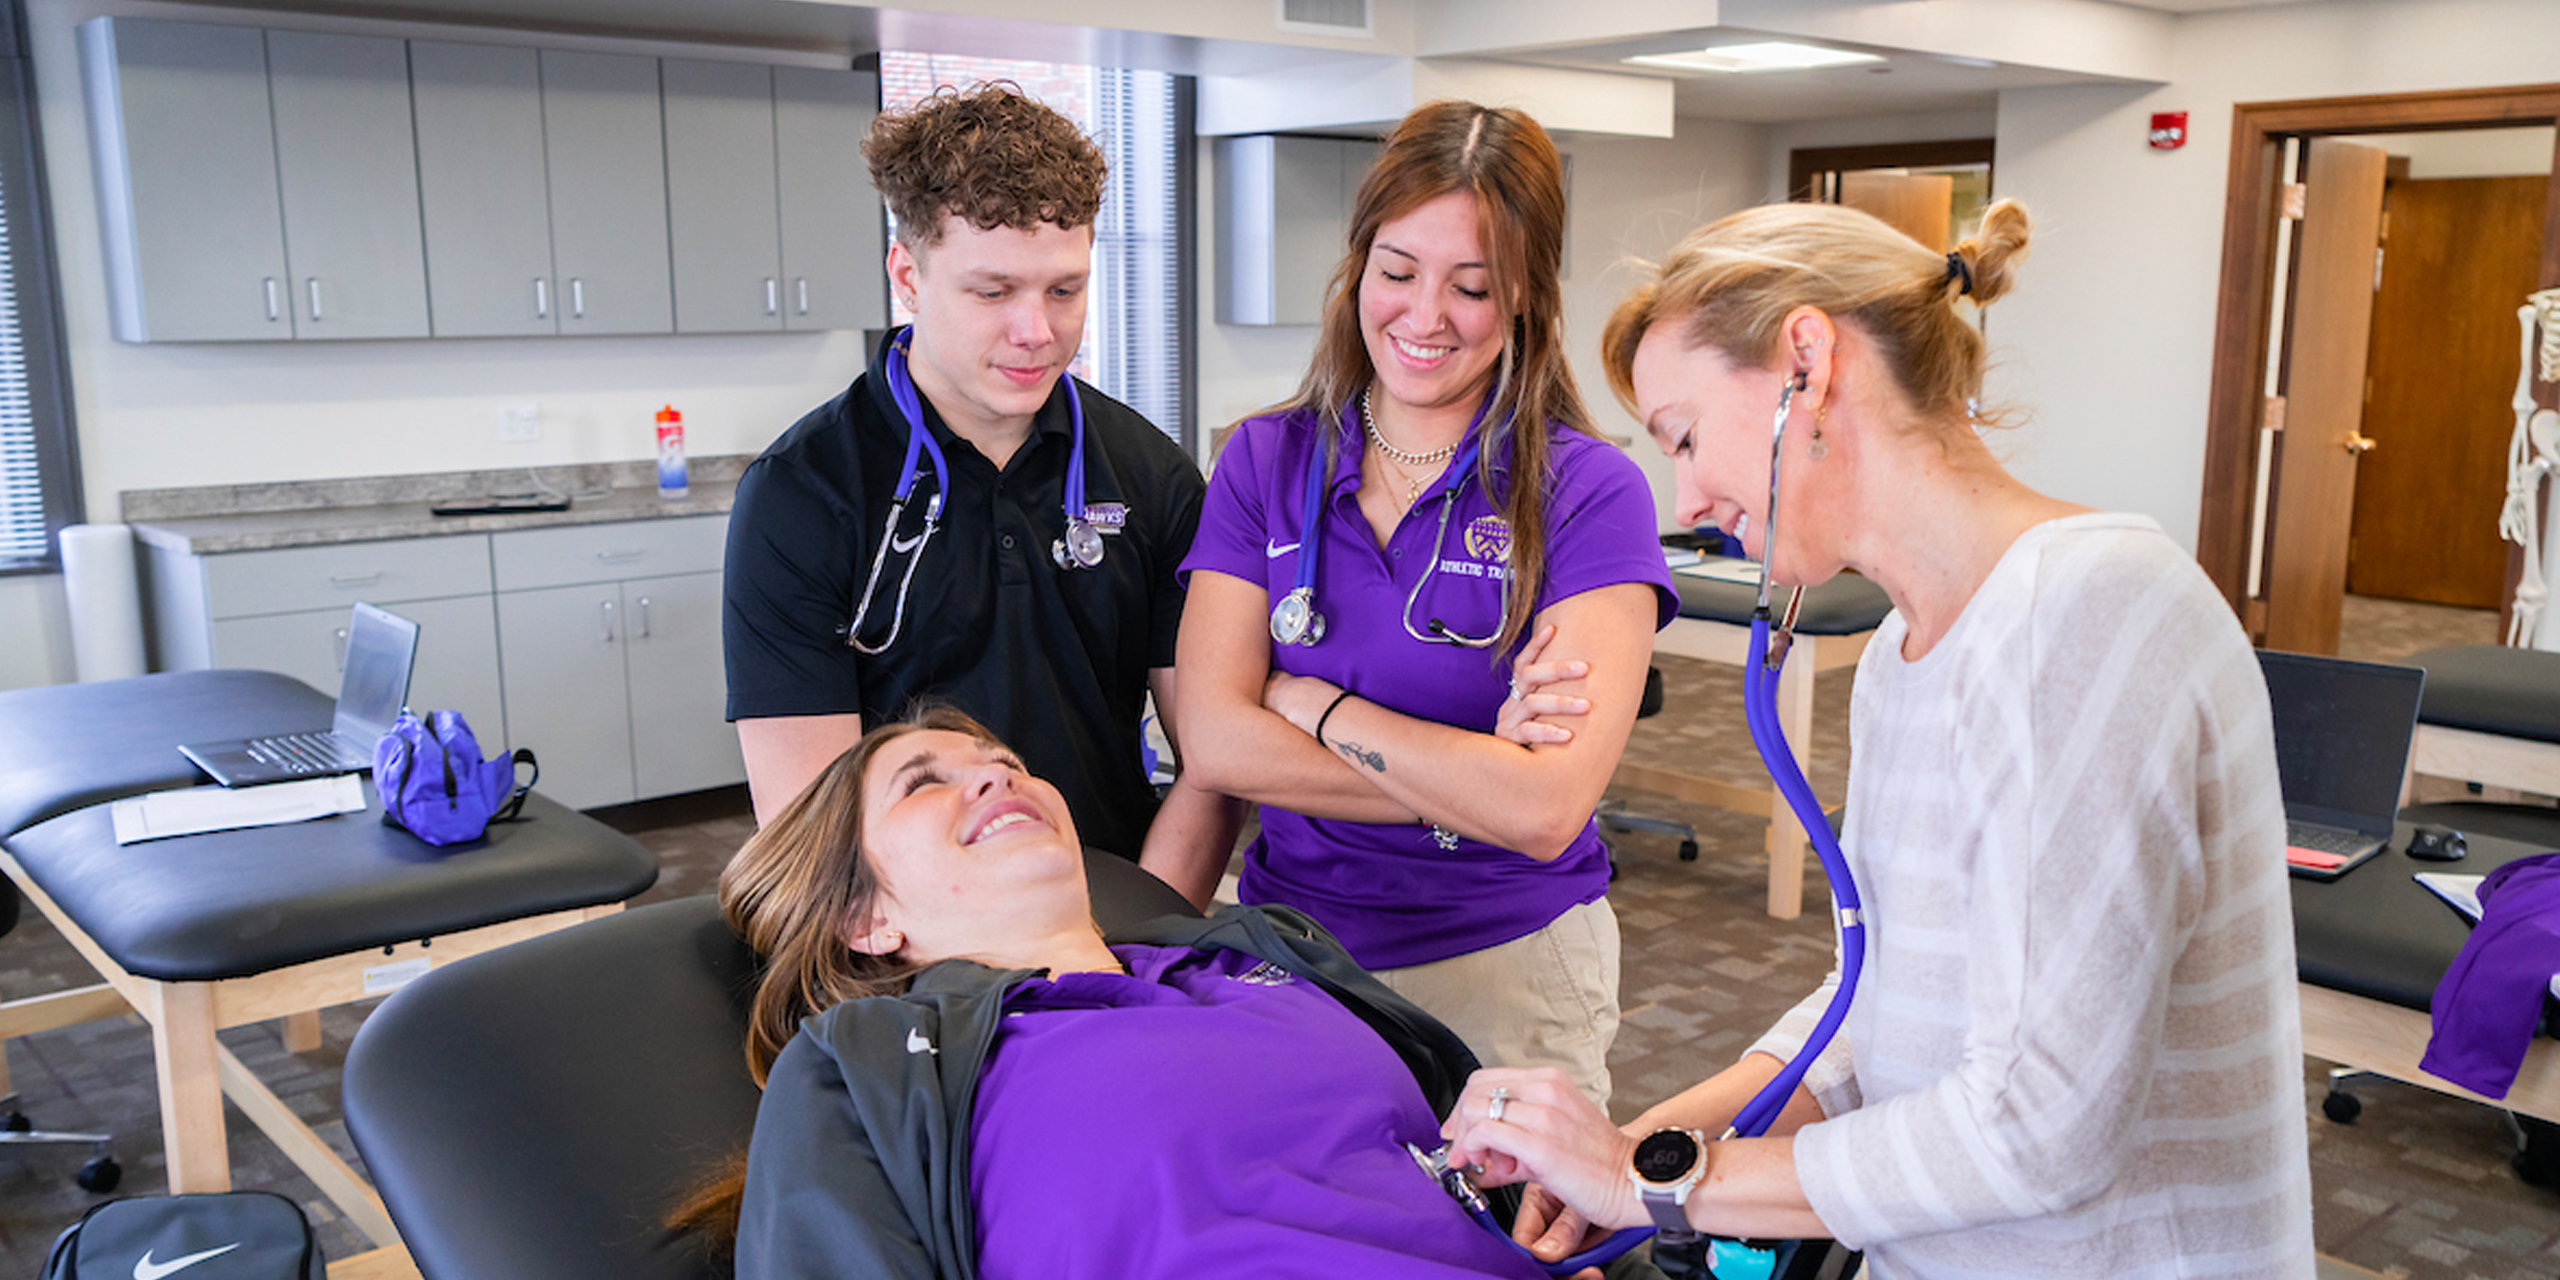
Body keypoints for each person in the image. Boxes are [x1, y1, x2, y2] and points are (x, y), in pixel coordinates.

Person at [1439, 200, 2316, 1277]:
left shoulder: (2083, 611)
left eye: (1684, 435)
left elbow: (2039, 1129)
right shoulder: (1907, 650)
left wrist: (1653, 1184)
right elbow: (1889, 1002)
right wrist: (1639, 1145)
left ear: (1805, 362)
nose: (1689, 496)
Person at [1171, 101, 1676, 1109]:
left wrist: (1314, 706)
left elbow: (1543, 809)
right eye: (1397, 272)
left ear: (1527, 292)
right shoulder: (1264, 461)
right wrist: (1471, 770)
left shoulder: (1584, 491)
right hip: (1299, 958)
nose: (1425, 314)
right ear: (1357, 266)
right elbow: (1218, 744)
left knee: (1508, 1255)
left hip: (1507, 966)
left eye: (1473, 285)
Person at [679, 706, 1559, 1280]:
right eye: (925, 782)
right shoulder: (870, 1067)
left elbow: (1484, 1184)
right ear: (865, 922)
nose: (996, 776)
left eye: (1006, 759)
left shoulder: (1256, 959)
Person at [722, 83, 1239, 879]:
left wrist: (1147, 944)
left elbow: (1211, 761)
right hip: (913, 939)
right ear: (907, 273)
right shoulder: (802, 496)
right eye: (992, 292)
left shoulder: (1151, 475)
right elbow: (808, 822)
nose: (1037, 332)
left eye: (1064, 290)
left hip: (1122, 914)